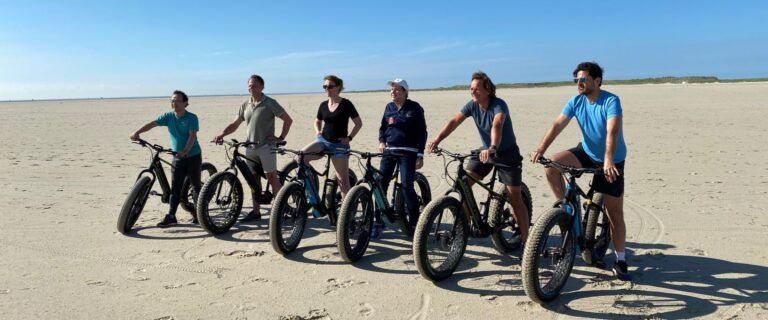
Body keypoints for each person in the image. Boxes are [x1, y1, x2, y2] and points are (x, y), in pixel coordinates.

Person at [529, 61, 630, 281]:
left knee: (615, 213)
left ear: (597, 80)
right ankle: (566, 210)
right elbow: (557, 125)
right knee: (552, 165)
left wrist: (608, 159)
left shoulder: (611, 101)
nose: (579, 83)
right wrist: (541, 149)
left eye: (583, 79)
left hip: (612, 159)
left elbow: (613, 131)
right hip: (586, 151)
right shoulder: (576, 101)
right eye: (577, 80)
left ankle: (621, 259)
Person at [426, 71, 530, 246]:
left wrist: (492, 147)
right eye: (471, 88)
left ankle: (528, 242)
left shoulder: (499, 105)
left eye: (476, 89)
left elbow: (497, 124)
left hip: (506, 154)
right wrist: (437, 140)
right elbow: (454, 121)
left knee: (515, 198)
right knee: (464, 184)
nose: (472, 92)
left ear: (488, 90)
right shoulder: (472, 105)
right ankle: (464, 228)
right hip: (485, 151)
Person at [213, 74, 293, 221]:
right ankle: (256, 212)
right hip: (250, 147)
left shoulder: (270, 103)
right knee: (253, 180)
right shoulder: (245, 104)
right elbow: (235, 124)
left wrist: (280, 138)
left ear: (262, 87)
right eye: (250, 85)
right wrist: (222, 134)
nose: (251, 87)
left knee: (272, 178)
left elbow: (288, 120)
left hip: (266, 146)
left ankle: (282, 209)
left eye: (255, 84)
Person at [130, 90, 202, 228]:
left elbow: (193, 135)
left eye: (178, 101)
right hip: (177, 156)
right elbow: (152, 124)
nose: (174, 103)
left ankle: (200, 214)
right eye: (172, 101)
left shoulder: (192, 117)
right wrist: (137, 132)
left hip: (192, 155)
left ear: (186, 103)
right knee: (175, 187)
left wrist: (185, 151)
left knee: (196, 187)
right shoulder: (168, 116)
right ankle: (171, 216)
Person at [372, 78, 428, 239]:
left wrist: (420, 154)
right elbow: (382, 128)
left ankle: (415, 221)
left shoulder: (414, 108)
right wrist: (381, 142)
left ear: (405, 91)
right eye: (391, 89)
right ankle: (378, 221)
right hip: (389, 151)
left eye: (396, 89)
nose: (392, 92)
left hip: (408, 152)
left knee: (406, 185)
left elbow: (422, 132)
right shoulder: (388, 107)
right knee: (380, 185)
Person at [297, 75, 362, 199]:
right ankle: (312, 187)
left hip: (339, 146)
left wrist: (349, 138)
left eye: (330, 86)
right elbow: (317, 121)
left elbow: (358, 123)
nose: (327, 89)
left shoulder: (346, 104)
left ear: (338, 87)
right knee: (300, 157)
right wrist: (318, 132)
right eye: (325, 86)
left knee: (343, 181)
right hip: (323, 141)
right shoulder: (323, 105)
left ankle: (346, 212)